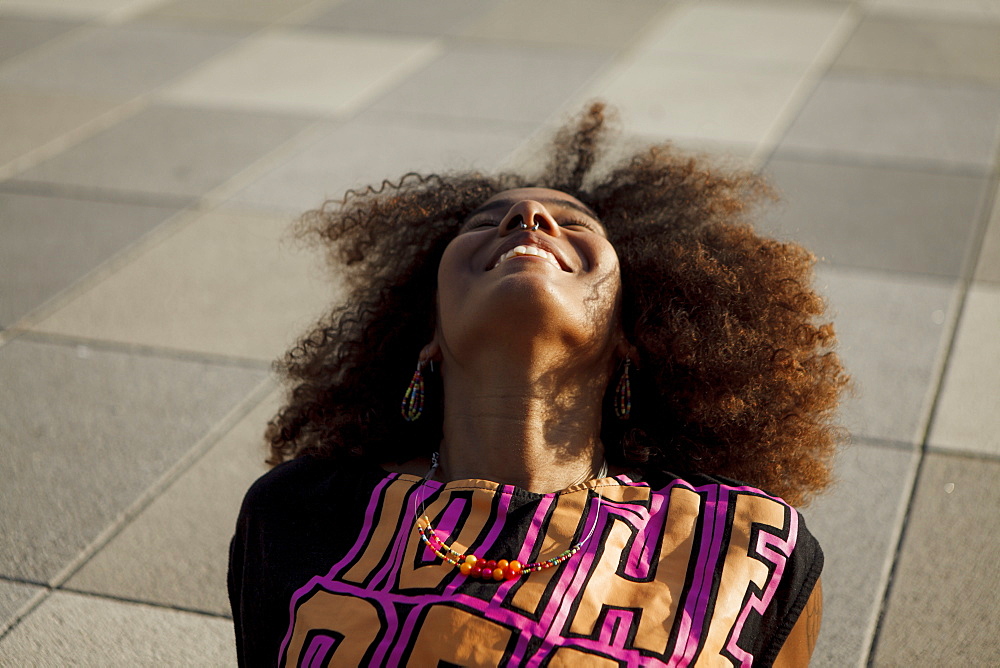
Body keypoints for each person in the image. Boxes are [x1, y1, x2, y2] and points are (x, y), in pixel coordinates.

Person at [228, 103, 846, 667]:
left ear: (630, 335)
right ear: (428, 337)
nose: (530, 218)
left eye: (574, 223)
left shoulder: (747, 553)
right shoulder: (299, 513)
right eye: (483, 223)